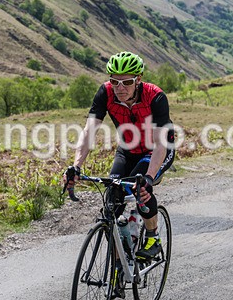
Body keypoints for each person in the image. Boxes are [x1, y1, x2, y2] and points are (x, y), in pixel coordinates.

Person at [63, 51, 175, 260]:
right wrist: (76, 166)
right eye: (115, 81)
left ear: (138, 80)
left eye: (127, 82)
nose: (120, 88)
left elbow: (161, 144)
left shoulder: (156, 96)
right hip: (127, 150)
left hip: (157, 151)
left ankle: (153, 237)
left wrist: (149, 178)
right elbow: (89, 132)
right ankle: (119, 261)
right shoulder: (105, 93)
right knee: (112, 200)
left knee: (141, 188)